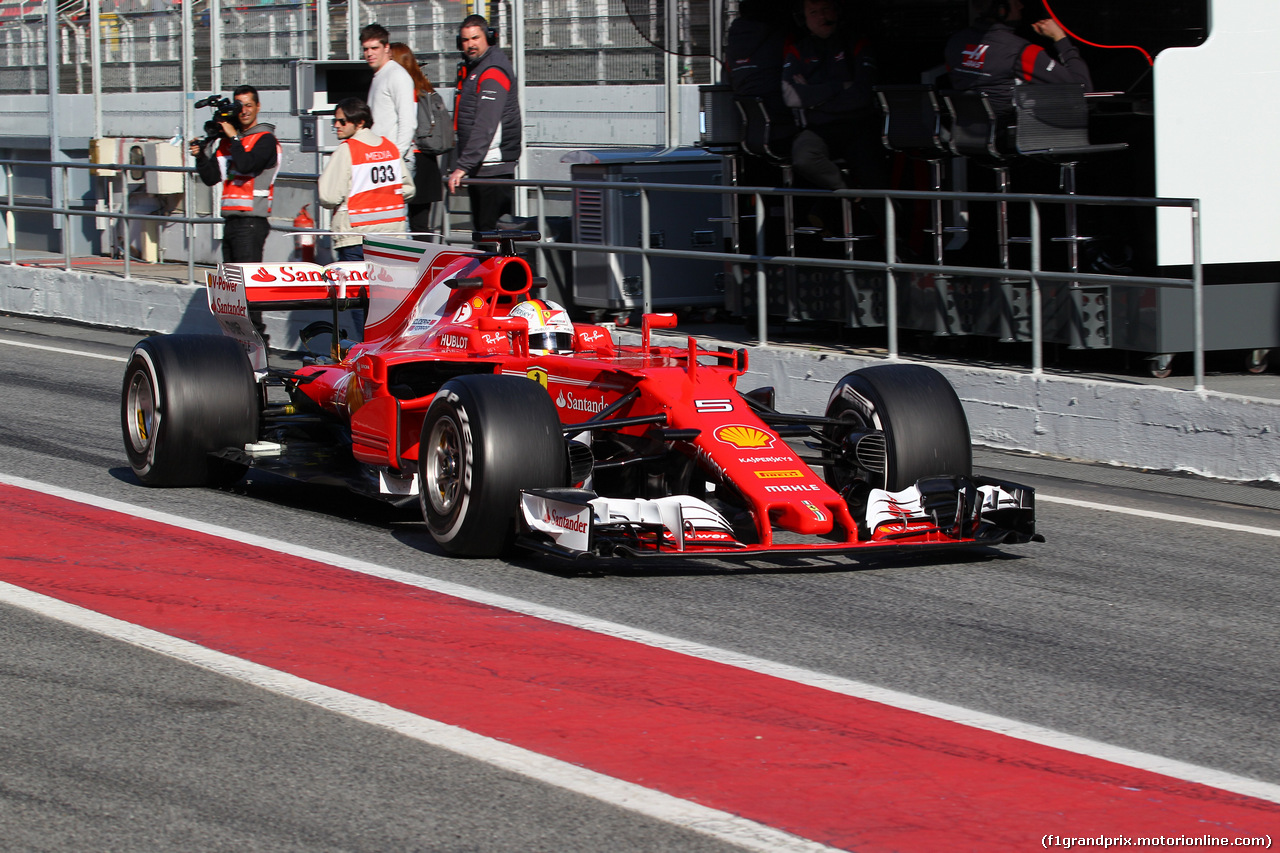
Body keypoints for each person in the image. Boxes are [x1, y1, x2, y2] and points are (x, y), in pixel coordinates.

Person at [190, 83, 281, 343]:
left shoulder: (265, 139)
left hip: (252, 222)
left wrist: (234, 137)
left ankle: (258, 343)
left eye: (248, 105)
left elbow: (245, 163)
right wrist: (201, 155)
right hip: (231, 222)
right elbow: (211, 178)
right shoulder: (230, 142)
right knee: (232, 292)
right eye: (238, 106)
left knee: (249, 288)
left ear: (258, 107)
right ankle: (238, 341)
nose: (243, 111)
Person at [780, 0, 888, 196]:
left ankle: (888, 222)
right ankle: (851, 194)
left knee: (874, 179)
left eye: (826, 10)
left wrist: (814, 98)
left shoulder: (857, 43)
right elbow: (791, 97)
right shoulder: (798, 50)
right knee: (804, 159)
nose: (822, 17)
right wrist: (840, 87)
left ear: (837, 12)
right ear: (803, 19)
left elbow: (862, 95)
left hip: (858, 125)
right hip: (817, 129)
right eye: (813, 12)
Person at [944, 0, 1093, 116]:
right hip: (1016, 136)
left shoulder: (955, 42)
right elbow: (1082, 90)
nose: (1021, 6)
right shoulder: (1020, 51)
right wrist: (1060, 38)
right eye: (1015, 2)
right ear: (1002, 10)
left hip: (969, 134)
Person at [447, 14, 522, 233]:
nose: (470, 44)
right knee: (486, 235)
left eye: (475, 38)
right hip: (482, 167)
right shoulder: (476, 68)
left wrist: (463, 165)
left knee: (492, 236)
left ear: (488, 37)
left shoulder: (492, 70)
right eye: (465, 40)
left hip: (492, 168)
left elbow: (486, 123)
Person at [317, 97, 414, 263]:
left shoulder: (347, 150)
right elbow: (408, 189)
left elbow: (328, 197)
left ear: (360, 122)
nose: (336, 126)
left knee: (356, 288)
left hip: (356, 237)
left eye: (342, 121)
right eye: (335, 121)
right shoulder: (389, 148)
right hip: (392, 235)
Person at [389, 43, 445, 241]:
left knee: (404, 223)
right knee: (421, 225)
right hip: (427, 161)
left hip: (411, 159)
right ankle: (426, 267)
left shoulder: (404, 89)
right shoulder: (424, 87)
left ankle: (414, 268)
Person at [360, 23, 417, 180]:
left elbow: (408, 121)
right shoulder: (380, 75)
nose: (369, 53)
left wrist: (396, 157)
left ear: (386, 48)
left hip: (395, 162)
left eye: (374, 48)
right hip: (380, 160)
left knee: (396, 206)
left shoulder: (396, 75)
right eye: (366, 49)